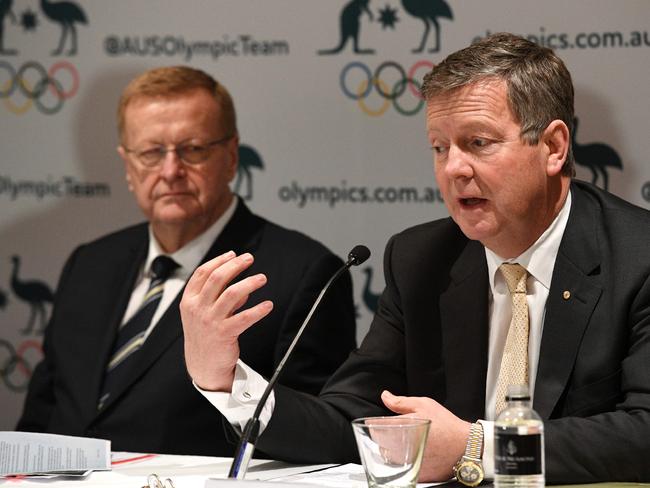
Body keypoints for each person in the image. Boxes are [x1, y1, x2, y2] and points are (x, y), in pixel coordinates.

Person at [180, 33, 650, 483]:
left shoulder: (639, 258)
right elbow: (352, 418)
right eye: (440, 148)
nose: (453, 169)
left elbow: (642, 434)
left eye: (478, 143)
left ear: (553, 147)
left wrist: (479, 449)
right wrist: (226, 383)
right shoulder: (421, 260)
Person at [16, 66, 357, 457]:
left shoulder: (302, 272)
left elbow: (315, 440)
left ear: (231, 157)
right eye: (150, 152)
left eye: (193, 150)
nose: (170, 171)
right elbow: (42, 417)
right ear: (127, 165)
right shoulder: (89, 262)